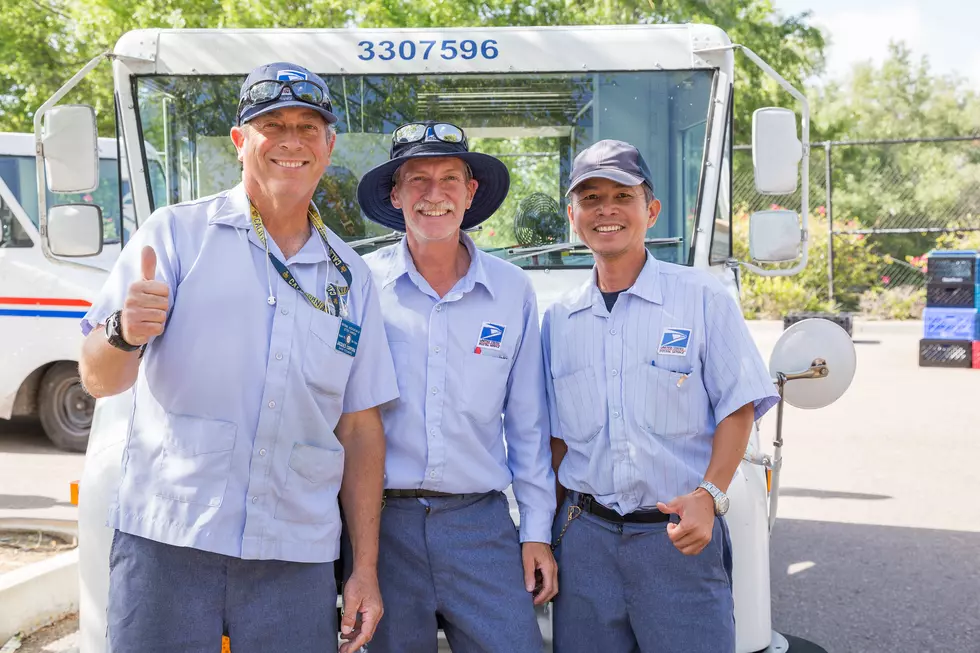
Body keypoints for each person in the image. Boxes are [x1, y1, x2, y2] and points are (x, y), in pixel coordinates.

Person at [78, 62, 397, 653]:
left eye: (308, 127)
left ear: (328, 145)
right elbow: (97, 378)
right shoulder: (174, 236)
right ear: (240, 141)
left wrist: (365, 570)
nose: (291, 141)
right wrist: (124, 331)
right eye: (272, 125)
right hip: (170, 541)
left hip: (293, 555)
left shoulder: (351, 278)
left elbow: (359, 429)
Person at [543, 139, 780, 653]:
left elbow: (738, 408)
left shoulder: (702, 298)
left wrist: (708, 497)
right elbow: (557, 440)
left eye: (621, 196)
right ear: (573, 216)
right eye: (590, 198)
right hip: (585, 543)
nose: (606, 209)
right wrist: (545, 533)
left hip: (678, 536)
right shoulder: (557, 320)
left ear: (650, 210)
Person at [354, 121, 557, 652]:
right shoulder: (360, 286)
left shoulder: (512, 290)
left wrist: (535, 530)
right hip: (382, 526)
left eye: (449, 178)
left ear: (471, 193)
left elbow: (529, 425)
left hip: (481, 524)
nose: (434, 194)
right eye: (417, 179)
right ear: (395, 195)